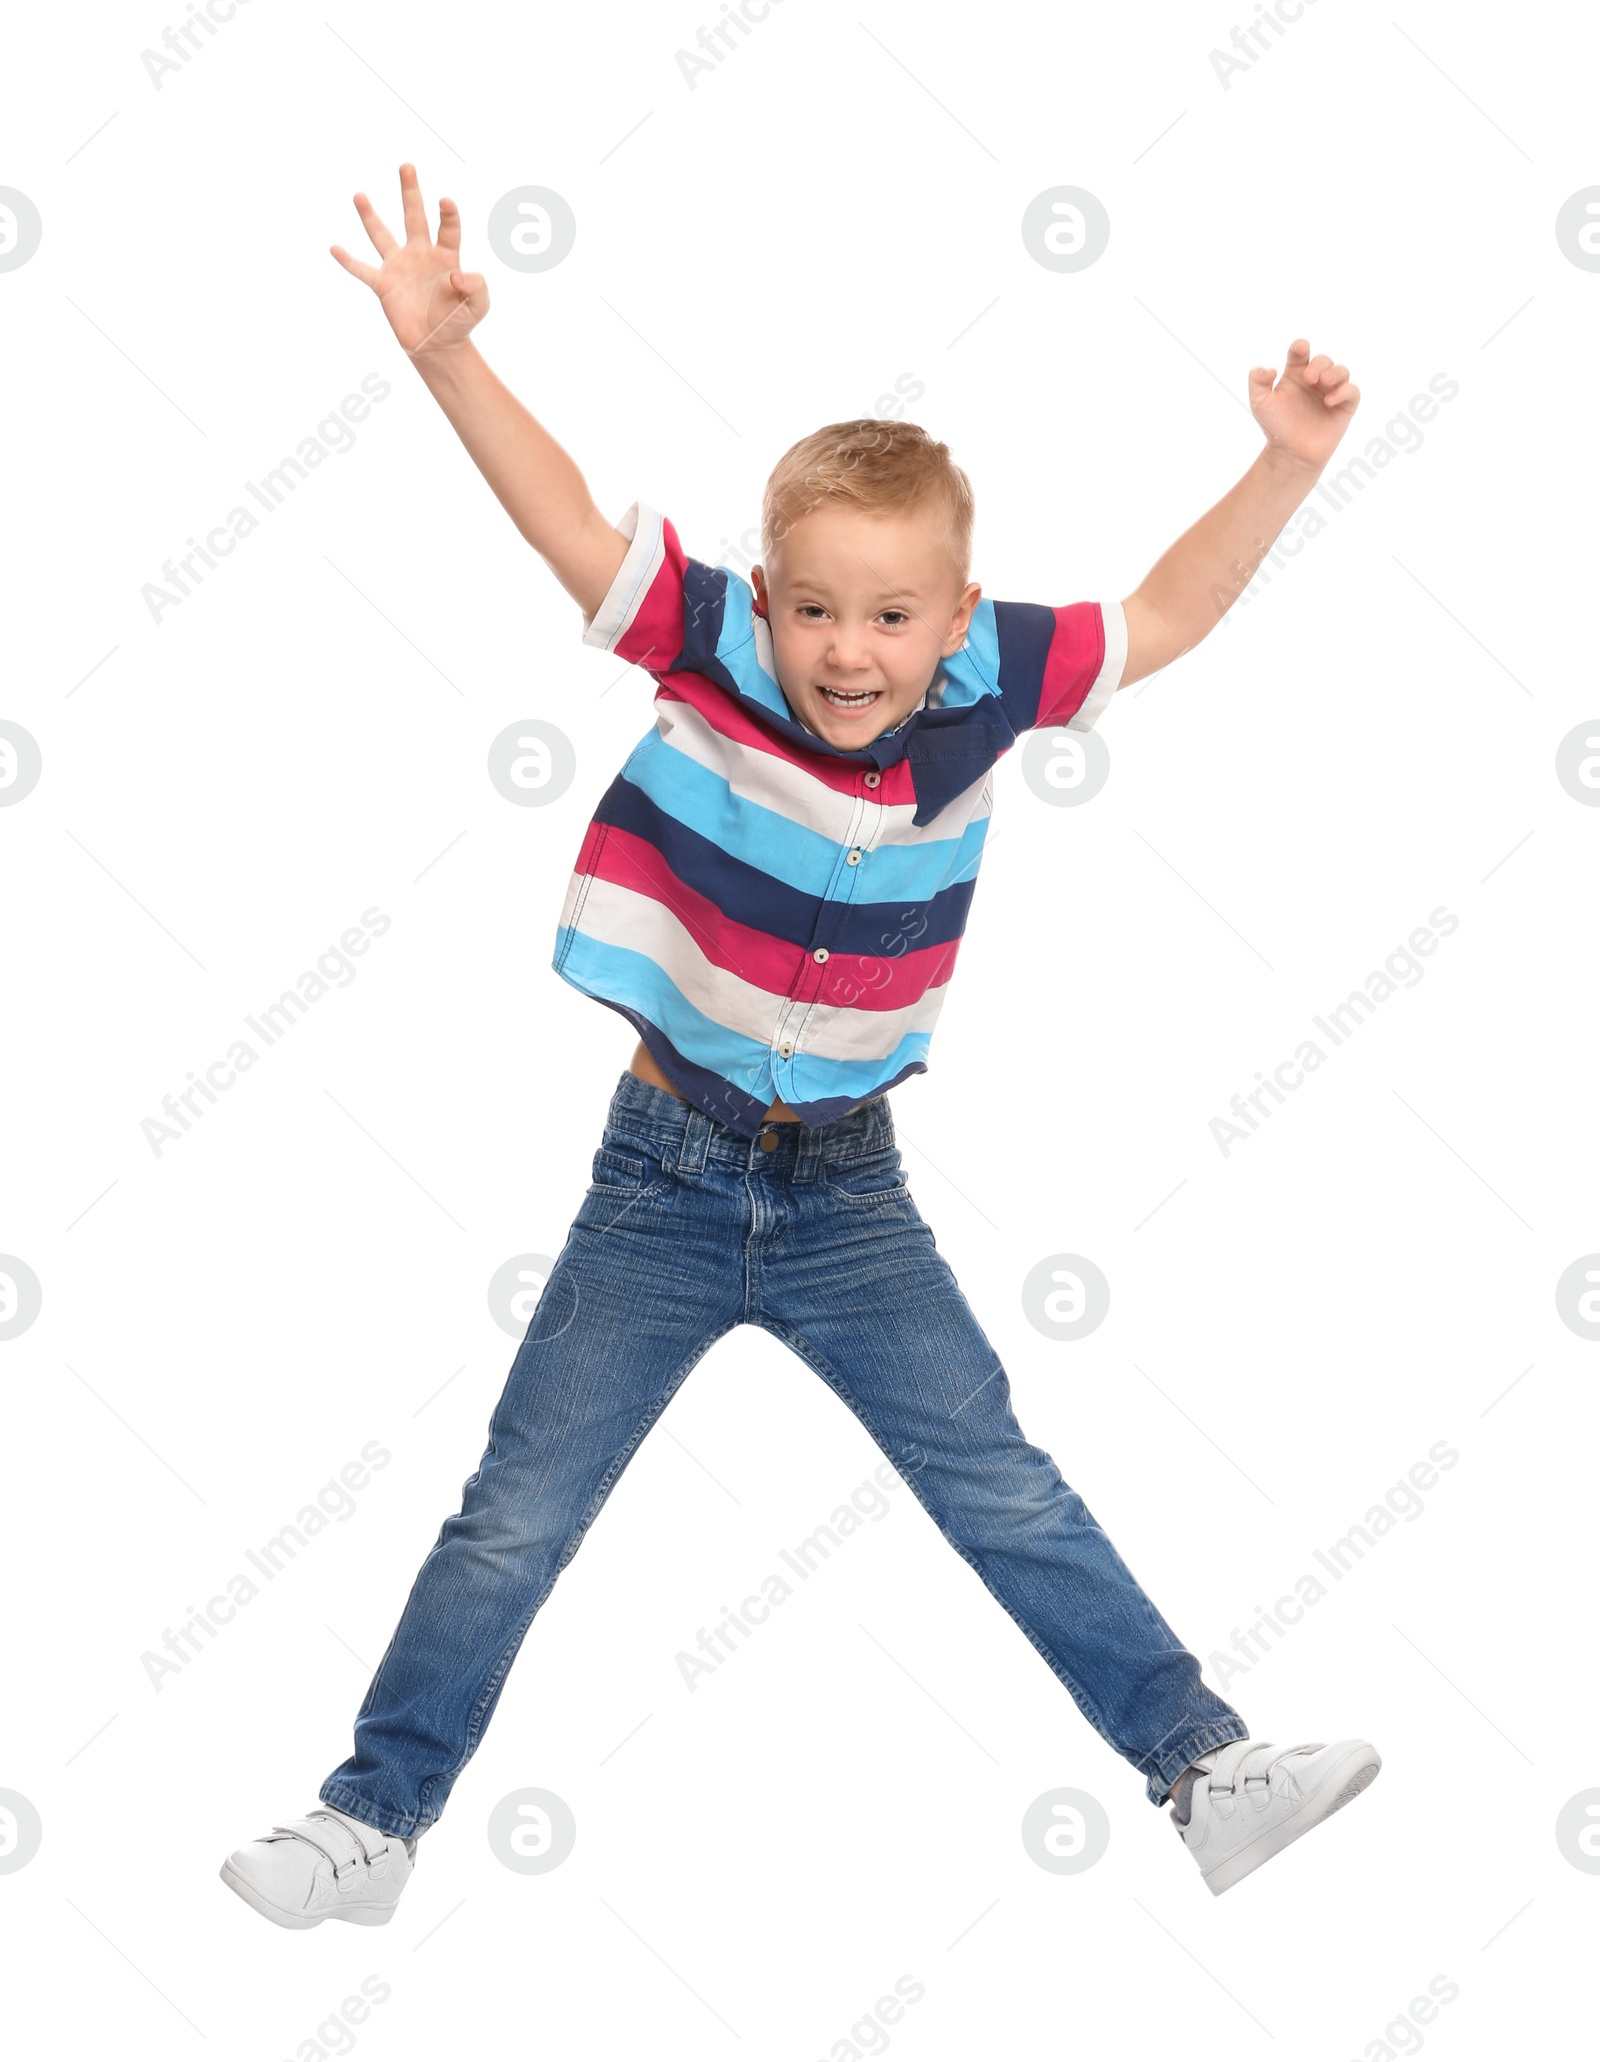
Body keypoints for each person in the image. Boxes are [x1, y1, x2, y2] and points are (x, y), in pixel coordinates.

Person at [220, 164, 1380, 1929]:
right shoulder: (710, 641)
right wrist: (451, 361)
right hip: (662, 1179)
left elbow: (1170, 612)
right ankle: (370, 1818)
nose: (852, 649)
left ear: (956, 611)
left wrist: (1287, 466)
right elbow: (566, 527)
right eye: (819, 607)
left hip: (850, 1194)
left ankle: (1205, 1766)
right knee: (516, 1511)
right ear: (766, 594)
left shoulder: (999, 674)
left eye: (894, 615)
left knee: (997, 1475)